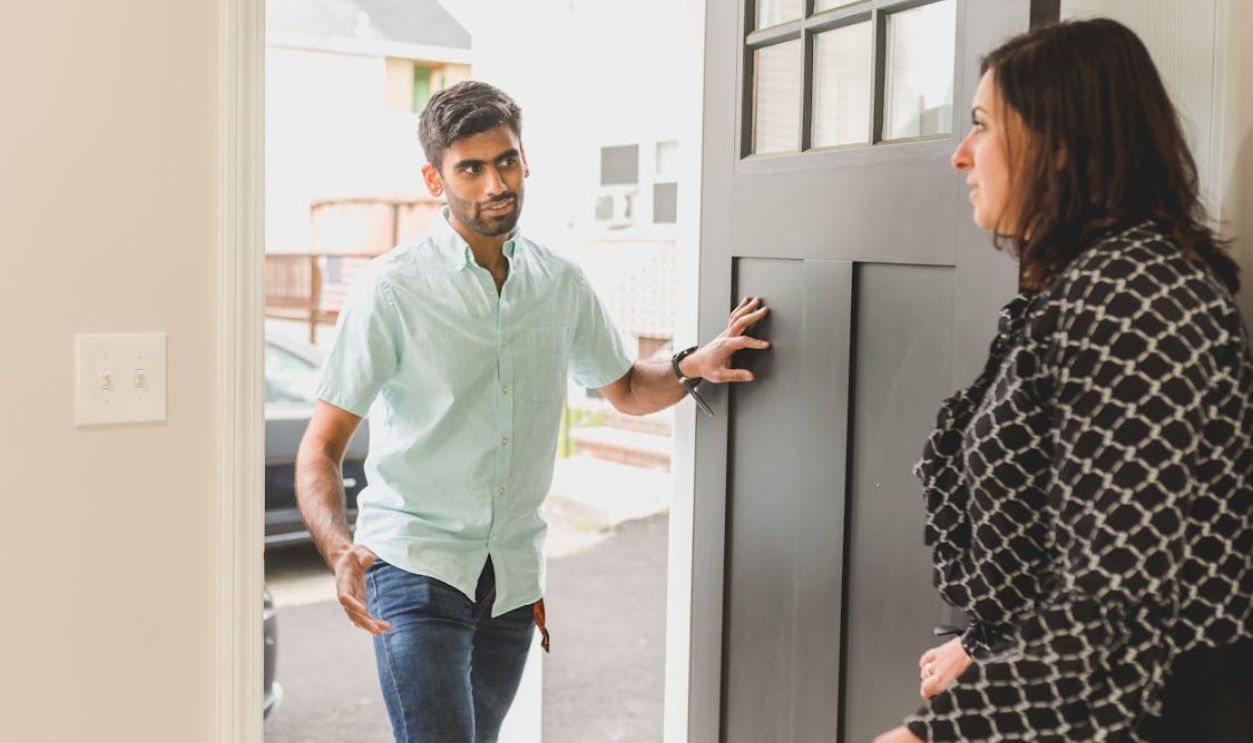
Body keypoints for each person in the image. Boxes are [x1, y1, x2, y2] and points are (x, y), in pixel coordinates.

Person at [294, 80, 771, 743]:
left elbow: (627, 387)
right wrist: (339, 547)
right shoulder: (392, 289)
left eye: (507, 160)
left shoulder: (558, 281)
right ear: (435, 179)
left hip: (510, 580)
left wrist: (693, 364)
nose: (497, 182)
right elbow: (320, 444)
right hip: (415, 567)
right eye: (471, 167)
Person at [874, 19, 1253, 743]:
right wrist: (986, 647)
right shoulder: (1089, 283)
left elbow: (1114, 602)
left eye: (982, 126)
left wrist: (931, 734)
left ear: (1059, 143)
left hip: (1156, 713)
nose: (960, 156)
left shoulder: (1137, 296)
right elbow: (1068, 541)